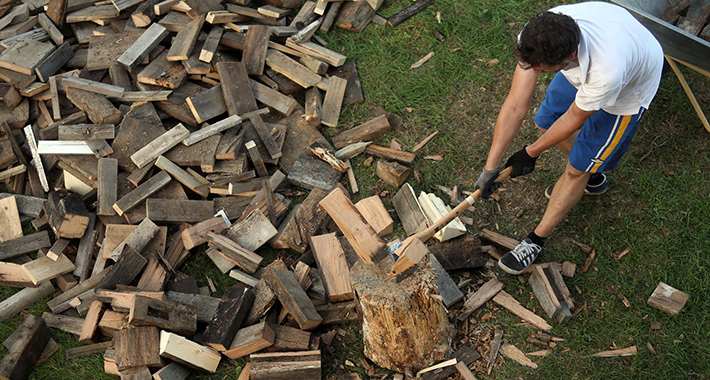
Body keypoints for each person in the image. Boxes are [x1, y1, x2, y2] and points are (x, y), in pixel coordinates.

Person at [474, 2, 663, 275]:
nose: (536, 72)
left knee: (576, 169)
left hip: (627, 92)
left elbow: (575, 118)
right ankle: (593, 179)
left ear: (569, 57)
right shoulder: (537, 35)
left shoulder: (606, 72)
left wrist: (531, 152)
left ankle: (536, 240)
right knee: (546, 121)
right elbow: (516, 104)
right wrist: (490, 167)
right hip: (599, 55)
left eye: (542, 70)